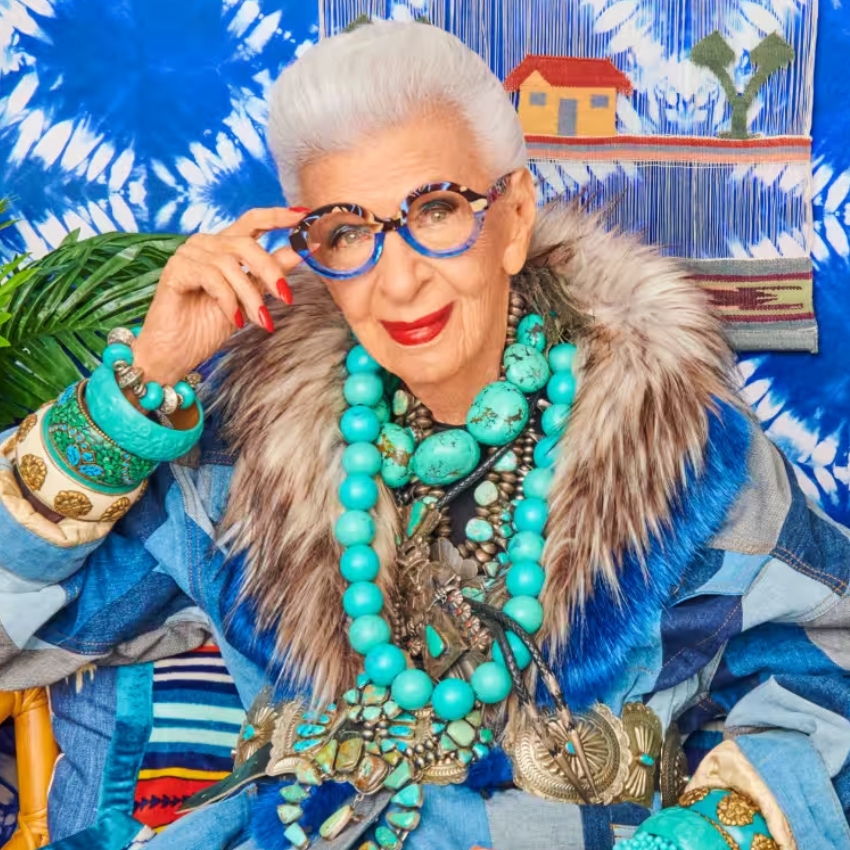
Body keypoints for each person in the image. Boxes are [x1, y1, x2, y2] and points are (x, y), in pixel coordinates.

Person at [1, 18, 848, 850]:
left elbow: (830, 666)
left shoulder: (681, 456)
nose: (398, 279)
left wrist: (712, 832)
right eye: (347, 231)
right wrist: (142, 383)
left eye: (436, 209)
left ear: (514, 217)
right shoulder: (237, 459)